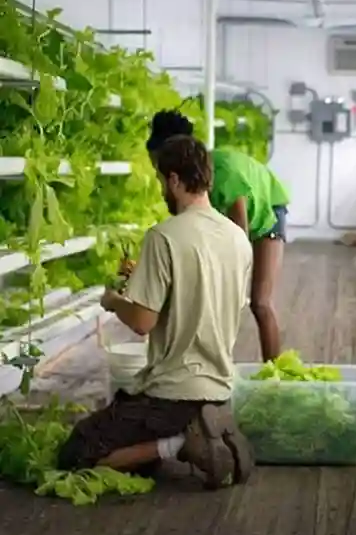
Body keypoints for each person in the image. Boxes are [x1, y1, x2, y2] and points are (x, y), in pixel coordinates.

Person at [56, 135, 255, 489]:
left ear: (175, 180)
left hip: (173, 392)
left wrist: (113, 301)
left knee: (76, 453)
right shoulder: (238, 238)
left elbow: (142, 323)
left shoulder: (164, 236)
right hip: (219, 385)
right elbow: (206, 300)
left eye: (162, 181)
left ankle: (181, 444)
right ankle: (197, 430)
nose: (163, 189)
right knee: (127, 446)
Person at [146, 110, 289, 363]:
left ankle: (276, 373)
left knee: (260, 302)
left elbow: (238, 240)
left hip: (268, 211)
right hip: (241, 216)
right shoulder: (191, 178)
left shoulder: (222, 175)